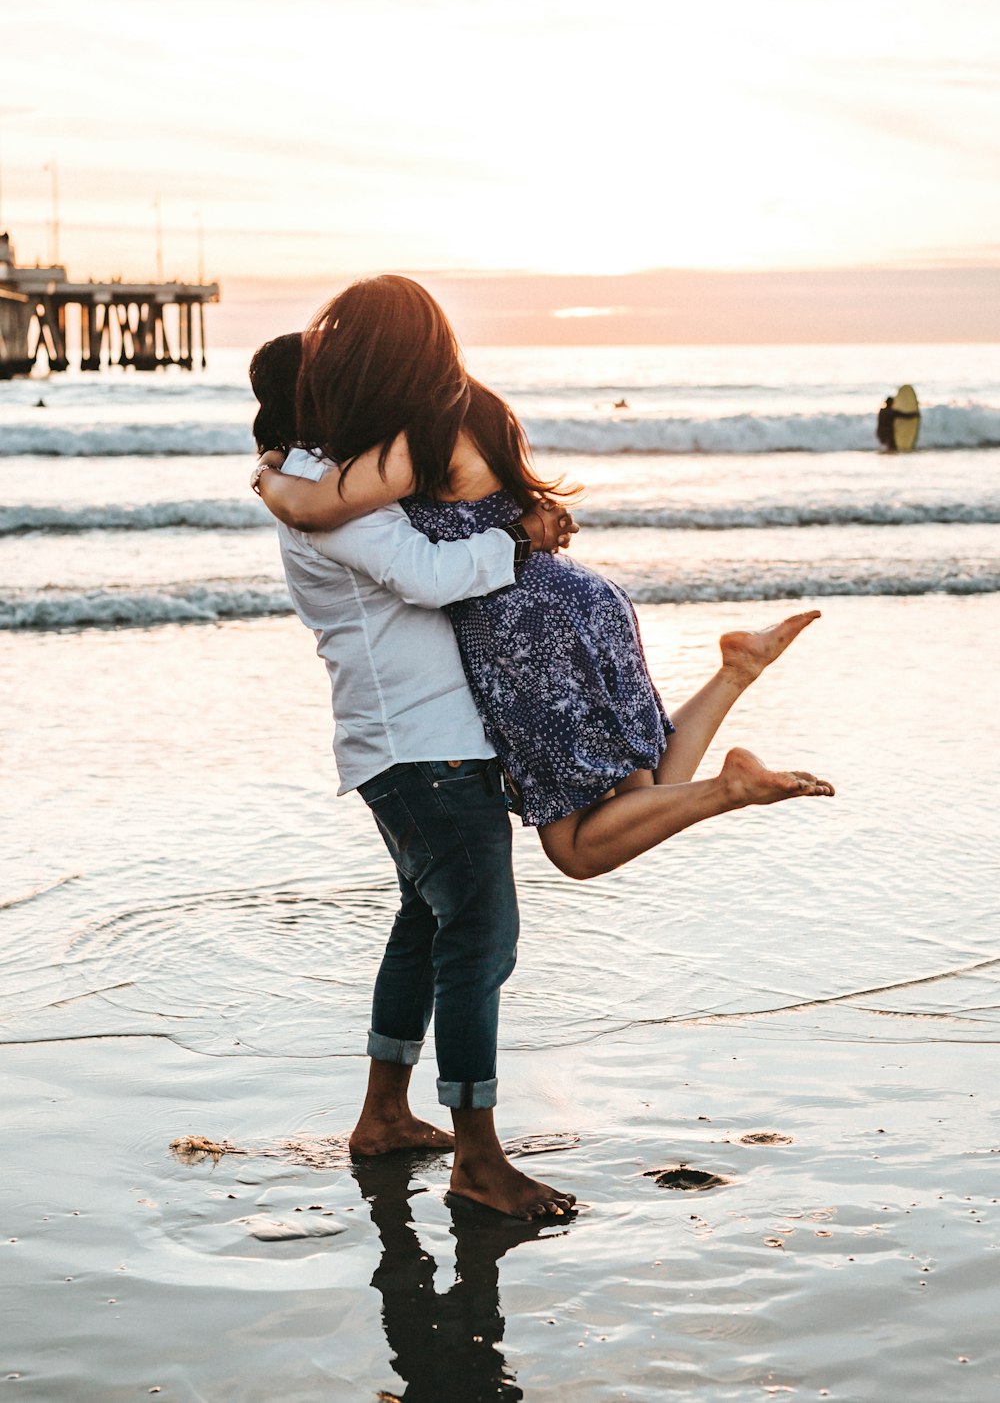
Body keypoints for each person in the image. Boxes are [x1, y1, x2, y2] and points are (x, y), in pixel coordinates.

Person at [256, 275, 834, 888]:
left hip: (523, 628)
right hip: (576, 597)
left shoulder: (415, 435)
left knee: (578, 848)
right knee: (649, 787)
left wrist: (266, 473)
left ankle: (729, 788)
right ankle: (736, 671)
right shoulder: (480, 407)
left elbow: (315, 508)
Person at [250, 332, 579, 1222]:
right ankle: (479, 1158)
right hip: (422, 746)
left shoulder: (320, 483)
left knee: (424, 925)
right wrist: (518, 537)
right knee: (480, 938)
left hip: (404, 742)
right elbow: (427, 576)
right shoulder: (333, 496)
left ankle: (385, 1114)